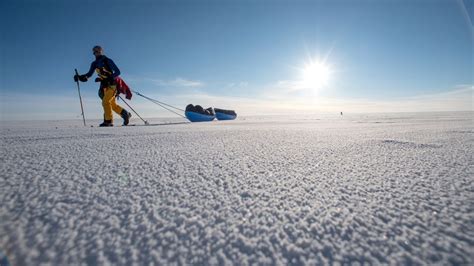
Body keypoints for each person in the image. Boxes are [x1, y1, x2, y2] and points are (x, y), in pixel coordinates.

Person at [74, 45, 131, 127]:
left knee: (105, 102)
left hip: (112, 85)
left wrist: (109, 78)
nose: (96, 52)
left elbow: (118, 72)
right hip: (104, 86)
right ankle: (125, 114)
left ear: (101, 51)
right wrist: (79, 77)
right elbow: (89, 75)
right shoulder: (94, 64)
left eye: (97, 50)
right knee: (112, 104)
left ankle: (108, 121)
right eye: (94, 51)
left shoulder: (107, 60)